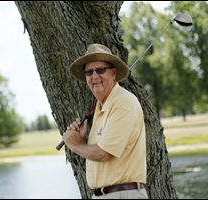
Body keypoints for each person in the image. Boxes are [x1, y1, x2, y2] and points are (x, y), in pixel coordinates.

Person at [62, 43, 148, 199]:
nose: (94, 76)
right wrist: (83, 140)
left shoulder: (123, 103)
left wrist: (73, 143)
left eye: (100, 70)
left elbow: (103, 153)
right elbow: (101, 149)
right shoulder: (101, 108)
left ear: (113, 73)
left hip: (123, 195)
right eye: (89, 72)